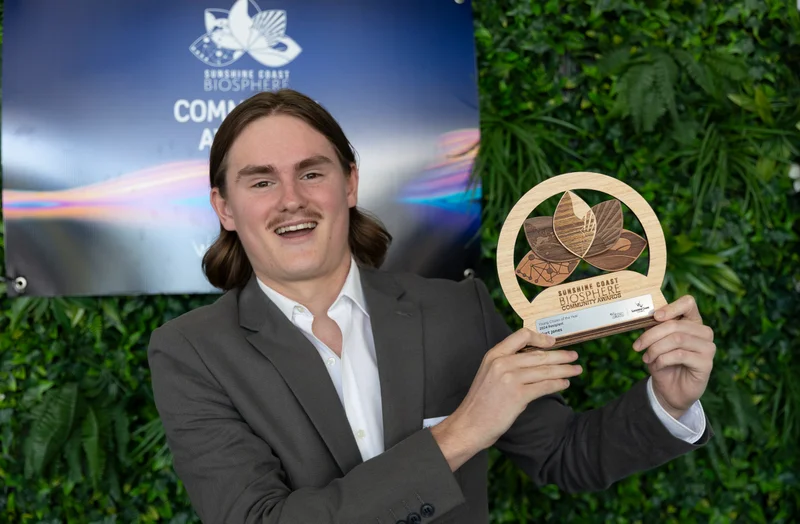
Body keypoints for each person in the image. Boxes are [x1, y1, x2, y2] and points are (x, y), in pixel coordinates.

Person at [147, 89, 716, 524]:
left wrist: (666, 402)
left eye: (311, 173)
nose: (292, 199)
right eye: (261, 182)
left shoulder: (455, 310)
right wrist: (463, 432)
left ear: (349, 183)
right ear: (224, 207)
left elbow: (565, 456)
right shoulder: (193, 352)